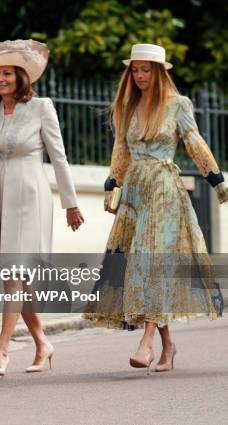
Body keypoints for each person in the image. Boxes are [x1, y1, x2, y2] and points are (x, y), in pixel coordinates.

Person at [83, 44, 227, 373]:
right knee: (139, 265)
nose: (140, 76)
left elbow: (195, 142)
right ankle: (169, 345)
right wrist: (113, 184)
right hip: (135, 193)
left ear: (160, 72)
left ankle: (146, 342)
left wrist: (217, 180)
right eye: (135, 70)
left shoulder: (178, 105)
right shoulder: (128, 106)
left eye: (146, 70)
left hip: (165, 188)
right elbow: (121, 149)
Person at [0, 39, 84, 376]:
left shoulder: (41, 107)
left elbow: (58, 157)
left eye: (7, 73)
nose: (0, 79)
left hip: (31, 199)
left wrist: (71, 204)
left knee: (15, 276)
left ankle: (2, 349)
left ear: (20, 76)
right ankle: (43, 343)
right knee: (12, 280)